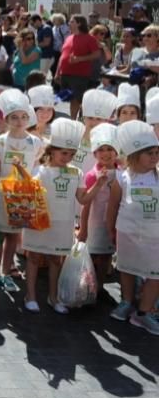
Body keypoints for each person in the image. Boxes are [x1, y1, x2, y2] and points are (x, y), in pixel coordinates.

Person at [0, 89, 43, 292]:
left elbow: (34, 170)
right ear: (7, 119)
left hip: (21, 197)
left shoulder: (34, 143)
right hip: (1, 194)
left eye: (23, 116)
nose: (19, 121)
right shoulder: (0, 142)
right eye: (14, 117)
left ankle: (7, 273)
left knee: (13, 236)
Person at [24, 119, 88, 314]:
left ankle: (53, 297)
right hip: (40, 222)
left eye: (71, 154)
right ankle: (30, 295)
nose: (67, 157)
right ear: (51, 150)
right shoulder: (41, 171)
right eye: (63, 153)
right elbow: (30, 190)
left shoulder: (77, 172)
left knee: (56, 260)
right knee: (34, 257)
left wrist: (100, 184)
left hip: (63, 224)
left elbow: (83, 199)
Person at [107, 120, 159, 334]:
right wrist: (111, 229)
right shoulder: (122, 177)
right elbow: (113, 207)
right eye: (150, 153)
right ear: (135, 155)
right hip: (127, 233)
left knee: (155, 273)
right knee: (127, 269)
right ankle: (126, 302)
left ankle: (143, 312)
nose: (155, 157)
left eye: (157, 152)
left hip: (155, 235)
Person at [78, 123, 119, 288]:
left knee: (106, 256)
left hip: (114, 221)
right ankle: (88, 287)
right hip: (95, 222)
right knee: (92, 255)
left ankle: (99, 286)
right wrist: (83, 229)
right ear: (94, 153)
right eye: (101, 150)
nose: (106, 153)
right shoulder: (91, 175)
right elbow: (85, 204)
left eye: (110, 149)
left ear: (116, 152)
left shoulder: (122, 173)